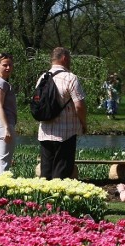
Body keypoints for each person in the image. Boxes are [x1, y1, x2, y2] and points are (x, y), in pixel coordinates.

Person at [37, 47, 87, 180]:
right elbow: (79, 105)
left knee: (46, 173)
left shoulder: (42, 77)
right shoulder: (70, 78)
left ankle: (43, 198)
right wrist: (83, 123)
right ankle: (58, 198)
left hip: (45, 132)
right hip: (66, 133)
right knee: (62, 172)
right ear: (64, 58)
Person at [0, 52, 18, 175]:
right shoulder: (1, 83)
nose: (8, 68)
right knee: (4, 163)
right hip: (2, 124)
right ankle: (2, 192)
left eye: (10, 65)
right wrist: (7, 128)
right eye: (5, 65)